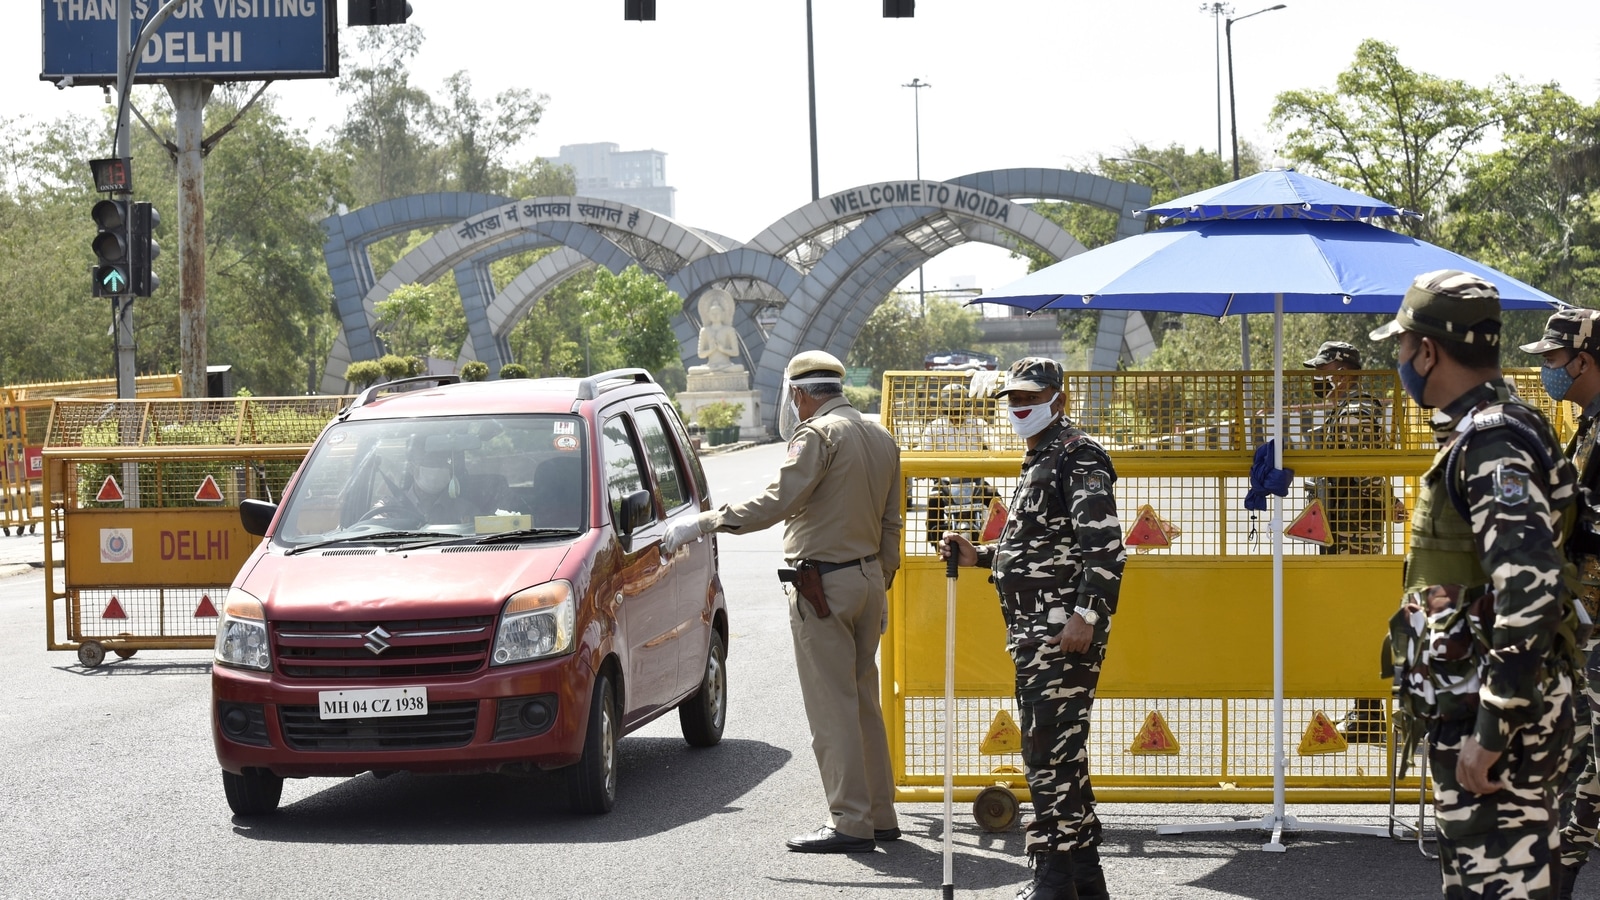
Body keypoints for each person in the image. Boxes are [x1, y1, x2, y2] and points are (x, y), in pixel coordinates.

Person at [1374, 270, 1581, 900]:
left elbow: (1530, 588)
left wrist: (1492, 730)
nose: (1399, 359)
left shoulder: (1493, 442)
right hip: (1475, 709)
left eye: (1401, 345)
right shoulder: (1491, 427)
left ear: (1426, 351)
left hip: (1496, 726)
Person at [662, 349, 903, 854]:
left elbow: (777, 501)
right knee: (864, 701)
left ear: (798, 394)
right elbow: (890, 524)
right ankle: (880, 815)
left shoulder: (817, 436)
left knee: (832, 708)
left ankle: (850, 821)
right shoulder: (880, 436)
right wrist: (879, 583)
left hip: (823, 586)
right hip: (866, 581)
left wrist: (705, 522)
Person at [940, 357, 1124, 900]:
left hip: (1062, 633)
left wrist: (1087, 615)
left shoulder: (1077, 455)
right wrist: (980, 557)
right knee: (1061, 755)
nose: (1020, 407)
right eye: (1013, 399)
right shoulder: (1041, 456)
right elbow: (1041, 548)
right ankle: (1083, 877)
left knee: (1048, 755)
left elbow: (1105, 551)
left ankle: (1053, 877)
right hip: (1035, 632)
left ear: (1058, 400)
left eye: (1031, 397)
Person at [1522, 308, 1600, 899]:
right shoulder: (1586, 426)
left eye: (1552, 358)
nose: (1546, 369)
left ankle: (1565, 859)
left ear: (1584, 360)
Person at [1301, 340, 1406, 743]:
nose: (1318, 378)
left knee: (1357, 618)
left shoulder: (1356, 409)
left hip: (1353, 531)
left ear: (1342, 370)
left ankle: (1370, 714)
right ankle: (1366, 711)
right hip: (1344, 526)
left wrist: (1388, 501)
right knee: (1354, 617)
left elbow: (1365, 468)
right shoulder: (1346, 406)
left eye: (1322, 370)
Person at [917, 382, 998, 545]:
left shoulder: (978, 424)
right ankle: (936, 543)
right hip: (946, 482)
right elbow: (923, 450)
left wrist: (998, 454)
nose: (955, 409)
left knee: (995, 498)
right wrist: (918, 465)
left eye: (958, 403)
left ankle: (1000, 540)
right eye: (950, 404)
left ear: (966, 404)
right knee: (933, 501)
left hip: (976, 481)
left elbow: (994, 443)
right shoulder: (933, 427)